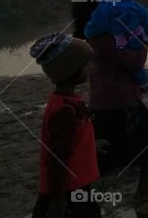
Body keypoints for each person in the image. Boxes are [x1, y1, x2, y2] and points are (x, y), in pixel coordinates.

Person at [80, 0, 148, 203]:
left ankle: (87, 199)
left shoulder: (96, 30)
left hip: (102, 100)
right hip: (120, 101)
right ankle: (140, 191)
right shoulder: (111, 37)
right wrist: (143, 39)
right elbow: (134, 62)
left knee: (101, 153)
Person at [29, 33, 100, 218]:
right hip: (68, 192)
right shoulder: (64, 111)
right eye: (86, 64)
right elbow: (56, 158)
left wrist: (92, 145)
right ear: (72, 70)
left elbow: (74, 140)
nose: (90, 68)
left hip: (76, 186)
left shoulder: (67, 101)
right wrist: (57, 200)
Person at [83, 0, 148, 91]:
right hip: (137, 40)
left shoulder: (104, 9)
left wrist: (87, 32)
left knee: (127, 64)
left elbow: (96, 26)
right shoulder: (136, 6)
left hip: (119, 43)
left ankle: (139, 83)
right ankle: (143, 82)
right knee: (136, 67)